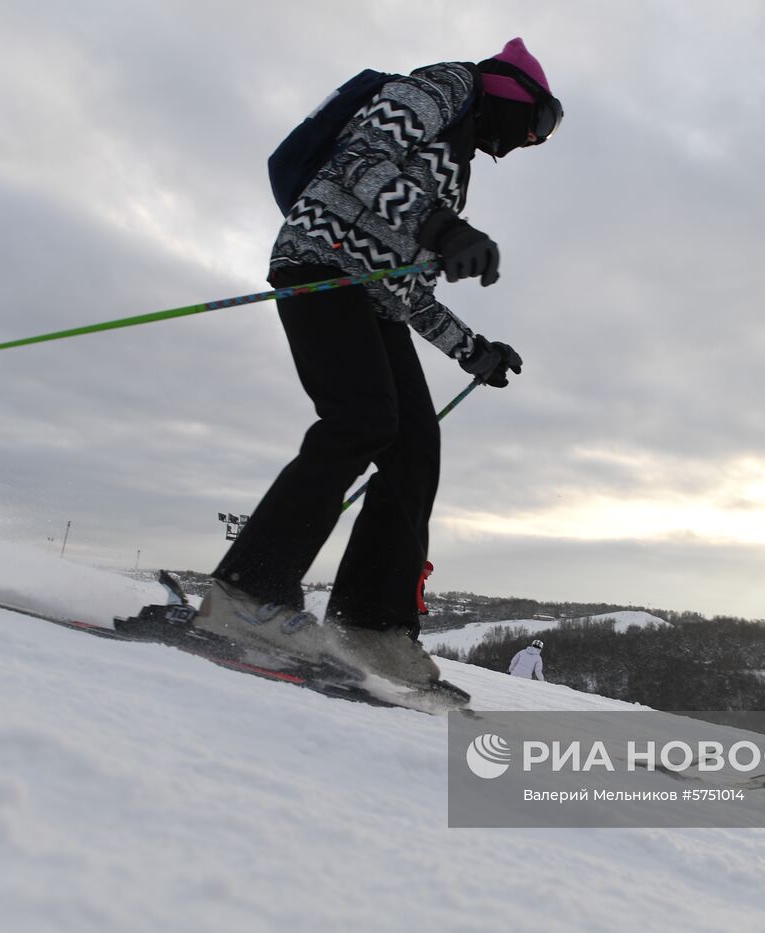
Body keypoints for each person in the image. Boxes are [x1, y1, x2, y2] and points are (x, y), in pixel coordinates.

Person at [194, 39, 563, 692]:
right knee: (361, 418)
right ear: (512, 93)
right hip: (321, 264)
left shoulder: (455, 162)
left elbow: (407, 287)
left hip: (371, 295)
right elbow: (360, 160)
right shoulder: (444, 87)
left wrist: (472, 348)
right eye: (537, 124)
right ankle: (248, 597)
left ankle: (371, 626)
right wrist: (445, 230)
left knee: (415, 444)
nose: (529, 143)